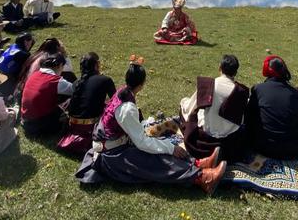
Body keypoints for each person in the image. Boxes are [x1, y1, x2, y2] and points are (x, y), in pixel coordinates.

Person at [76, 58, 227, 195]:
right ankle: (202, 178)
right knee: (154, 161)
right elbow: (142, 142)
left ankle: (197, 163)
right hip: (111, 156)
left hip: (116, 145)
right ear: (142, 84)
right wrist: (171, 148)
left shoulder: (123, 92)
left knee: (158, 146)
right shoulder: (127, 108)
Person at [180, 54, 248, 161]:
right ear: (235, 72)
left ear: (219, 68)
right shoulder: (241, 92)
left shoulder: (210, 85)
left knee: (185, 105)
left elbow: (191, 108)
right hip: (230, 140)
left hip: (207, 136)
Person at [245, 55, 298, 159]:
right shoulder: (294, 93)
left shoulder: (258, 89)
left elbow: (249, 116)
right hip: (292, 149)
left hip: (263, 146)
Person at [58, 52, 116, 155]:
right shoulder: (105, 80)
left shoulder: (77, 83)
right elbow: (116, 102)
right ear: (96, 65)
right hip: (91, 128)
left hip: (73, 127)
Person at [21, 53, 74, 135]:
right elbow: (75, 90)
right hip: (40, 126)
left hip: (25, 121)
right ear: (60, 65)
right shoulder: (55, 80)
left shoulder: (35, 74)